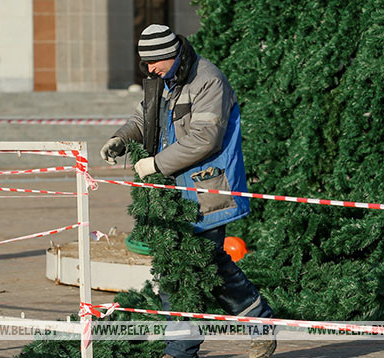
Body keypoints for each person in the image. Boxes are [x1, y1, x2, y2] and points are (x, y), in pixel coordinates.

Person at [101, 25, 276, 358]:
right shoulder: (163, 80)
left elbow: (205, 138)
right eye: (145, 64)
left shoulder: (209, 80)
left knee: (191, 266)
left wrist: (156, 164)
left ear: (172, 53)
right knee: (192, 266)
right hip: (174, 197)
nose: (148, 70)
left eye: (153, 63)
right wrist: (120, 138)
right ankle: (258, 324)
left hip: (208, 192)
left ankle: (183, 349)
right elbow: (143, 117)